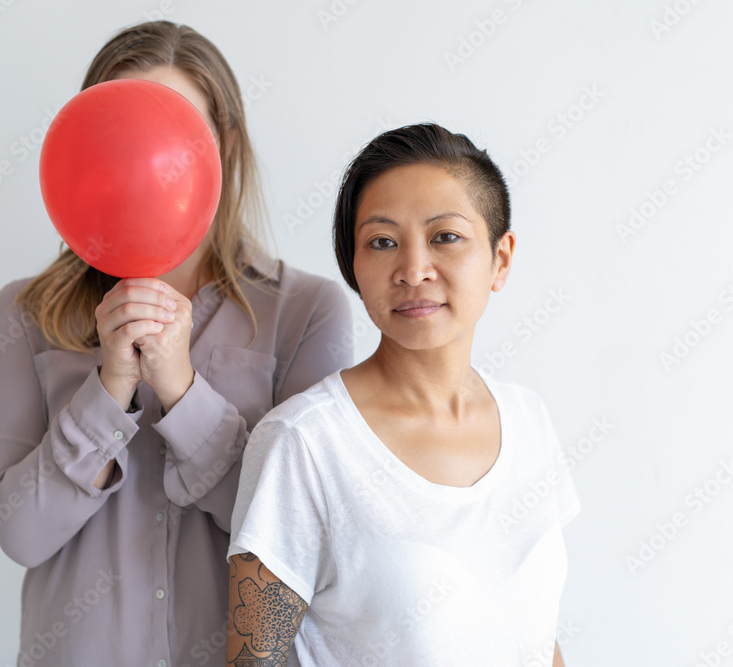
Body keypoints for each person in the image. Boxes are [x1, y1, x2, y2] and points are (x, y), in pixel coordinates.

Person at [0, 21, 353, 667]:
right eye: (121, 134)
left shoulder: (307, 312)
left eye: (174, 132)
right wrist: (107, 391)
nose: (144, 160)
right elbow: (19, 534)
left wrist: (182, 391)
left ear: (223, 146)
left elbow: (307, 536)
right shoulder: (23, 314)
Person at [226, 123, 581, 666]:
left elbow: (538, 638)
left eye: (445, 237)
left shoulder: (529, 420)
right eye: (382, 242)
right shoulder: (303, 443)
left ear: (501, 259)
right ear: (354, 266)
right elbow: (252, 662)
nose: (413, 271)